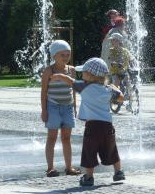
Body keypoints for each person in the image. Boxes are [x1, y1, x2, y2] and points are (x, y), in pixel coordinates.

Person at [51, 57, 125, 186]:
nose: (82, 74)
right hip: (107, 126)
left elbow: (70, 80)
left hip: (92, 126)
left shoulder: (84, 87)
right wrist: (116, 89)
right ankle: (118, 172)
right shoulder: (108, 89)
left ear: (91, 75)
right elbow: (121, 98)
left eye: (84, 72)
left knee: (89, 151)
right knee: (112, 149)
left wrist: (58, 76)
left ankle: (89, 177)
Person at [40, 40, 81, 177]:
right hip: (53, 106)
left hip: (67, 107)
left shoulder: (71, 70)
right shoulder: (48, 71)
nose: (65, 57)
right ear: (54, 56)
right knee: (52, 137)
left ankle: (69, 167)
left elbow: (73, 89)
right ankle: (50, 168)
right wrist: (44, 110)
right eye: (62, 55)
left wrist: (74, 106)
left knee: (66, 137)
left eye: (67, 54)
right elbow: (43, 92)